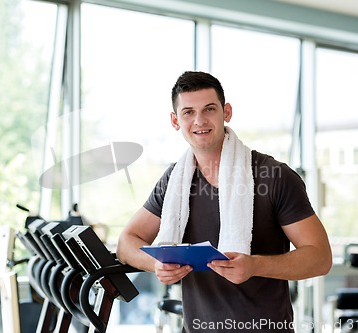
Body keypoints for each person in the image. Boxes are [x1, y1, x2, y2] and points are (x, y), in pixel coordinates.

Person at [116, 71, 332, 332]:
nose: (199, 120)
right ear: (175, 121)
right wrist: (156, 265)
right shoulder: (174, 180)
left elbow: (320, 257)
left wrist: (255, 265)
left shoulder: (275, 176)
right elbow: (127, 242)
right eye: (188, 112)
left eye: (209, 109)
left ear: (226, 112)